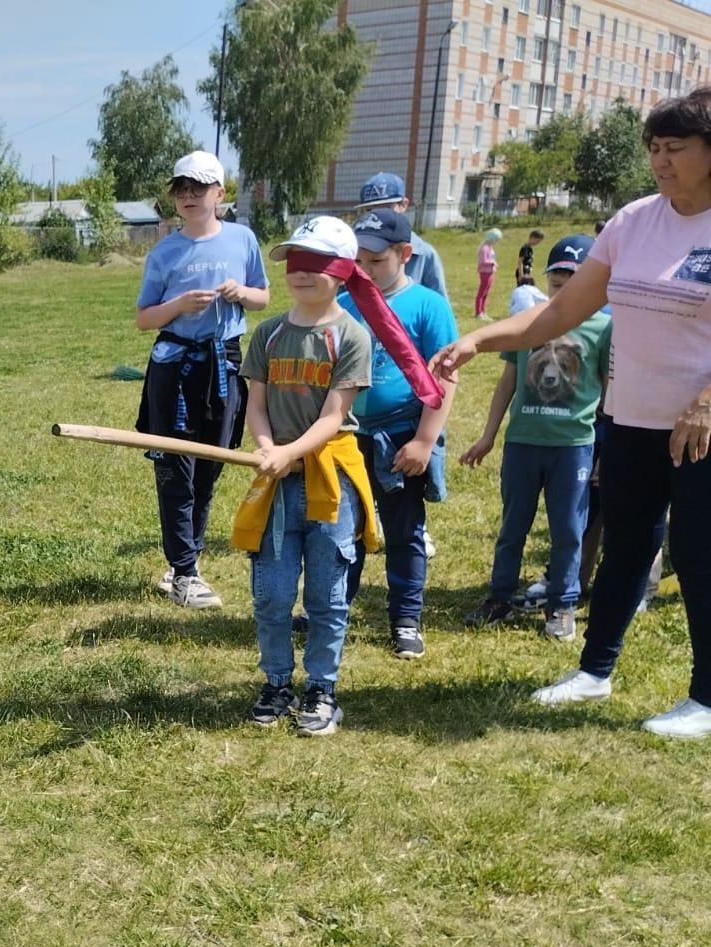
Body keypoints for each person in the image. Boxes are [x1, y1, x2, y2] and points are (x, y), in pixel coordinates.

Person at [431, 86, 711, 740]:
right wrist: (479, 339)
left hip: (700, 427)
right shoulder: (636, 220)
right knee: (623, 549)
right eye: (653, 149)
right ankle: (595, 671)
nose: (660, 161)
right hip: (631, 418)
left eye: (675, 149)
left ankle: (706, 698)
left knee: (699, 555)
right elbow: (560, 313)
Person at [234, 217, 407, 736]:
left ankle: (321, 688)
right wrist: (268, 448)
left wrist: (288, 452)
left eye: (316, 263)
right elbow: (256, 406)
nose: (302, 273)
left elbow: (334, 417)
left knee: (327, 596)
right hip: (278, 481)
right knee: (271, 593)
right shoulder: (268, 334)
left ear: (342, 272)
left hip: (330, 482)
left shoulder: (350, 336)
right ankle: (277, 682)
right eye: (295, 262)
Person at [458, 234, 611, 643]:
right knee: (513, 525)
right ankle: (500, 597)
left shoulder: (604, 325)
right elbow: (508, 378)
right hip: (523, 443)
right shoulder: (531, 320)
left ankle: (562, 603)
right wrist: (488, 436)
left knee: (567, 529)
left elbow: (609, 390)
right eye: (557, 284)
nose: (564, 292)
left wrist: (605, 448)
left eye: (575, 283)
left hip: (573, 446)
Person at [134, 150, 270, 609]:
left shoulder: (243, 239)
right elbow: (143, 318)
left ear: (220, 193)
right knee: (176, 467)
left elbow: (263, 297)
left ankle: (179, 566)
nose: (189, 195)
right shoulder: (165, 251)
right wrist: (177, 307)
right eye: (181, 188)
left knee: (209, 466)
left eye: (199, 187)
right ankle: (187, 572)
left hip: (224, 367)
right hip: (175, 368)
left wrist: (242, 292)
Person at [339, 209, 458, 660]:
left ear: (404, 254)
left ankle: (405, 618)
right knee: (342, 528)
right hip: (350, 435)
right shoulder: (346, 302)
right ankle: (334, 607)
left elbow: (444, 379)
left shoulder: (429, 305)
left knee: (404, 530)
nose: (365, 272)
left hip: (402, 438)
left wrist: (425, 440)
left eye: (376, 261)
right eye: (359, 263)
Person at [352, 172, 448, 299]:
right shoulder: (352, 249)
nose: (378, 216)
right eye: (370, 210)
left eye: (386, 208)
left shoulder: (424, 254)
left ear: (404, 205)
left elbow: (438, 304)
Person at [475, 228, 501, 319]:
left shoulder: (490, 247)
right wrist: (493, 262)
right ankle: (478, 312)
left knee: (486, 292)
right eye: (497, 240)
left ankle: (483, 311)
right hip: (485, 273)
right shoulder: (484, 248)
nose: (497, 242)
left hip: (490, 272)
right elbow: (483, 261)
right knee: (482, 292)